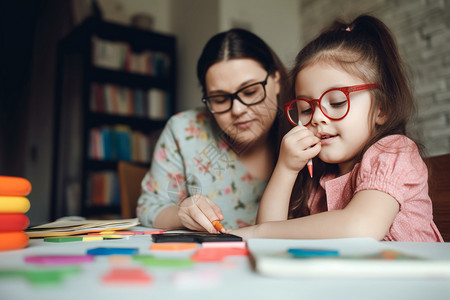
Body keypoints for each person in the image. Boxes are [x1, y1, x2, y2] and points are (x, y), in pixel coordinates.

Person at [230, 15, 443, 242]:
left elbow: (361, 227)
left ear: (382, 108)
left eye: (337, 102)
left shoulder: (393, 151)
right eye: (306, 108)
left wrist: (256, 232)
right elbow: (271, 238)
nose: (318, 117)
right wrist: (286, 168)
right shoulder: (320, 179)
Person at [137, 28, 290, 233]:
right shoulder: (184, 131)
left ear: (277, 81)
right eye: (220, 99)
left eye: (251, 91)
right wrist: (181, 213)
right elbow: (148, 207)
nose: (237, 110)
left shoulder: (308, 127)